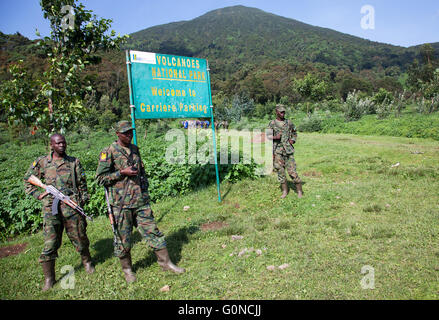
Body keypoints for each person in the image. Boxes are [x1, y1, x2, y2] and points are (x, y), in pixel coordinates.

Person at [95, 120, 185, 283]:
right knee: (124, 239)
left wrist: (145, 189)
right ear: (117, 134)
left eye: (131, 132)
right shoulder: (109, 151)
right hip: (121, 205)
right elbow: (100, 179)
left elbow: (141, 172)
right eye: (125, 133)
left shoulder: (135, 149)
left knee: (153, 231)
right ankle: (128, 270)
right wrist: (121, 173)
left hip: (140, 201)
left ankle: (166, 263)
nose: (129, 135)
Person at [24, 133, 94, 291]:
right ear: (51, 145)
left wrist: (81, 201)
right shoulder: (42, 162)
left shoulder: (73, 162)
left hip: (71, 207)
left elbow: (82, 184)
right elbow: (28, 179)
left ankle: (87, 262)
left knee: (80, 237)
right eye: (58, 143)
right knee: (50, 243)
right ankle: (49, 279)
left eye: (63, 143)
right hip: (51, 209)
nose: (62, 146)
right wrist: (39, 194)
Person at [267, 105, 303, 199]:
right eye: (281, 112)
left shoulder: (289, 123)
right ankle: (284, 191)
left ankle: (299, 191)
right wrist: (275, 137)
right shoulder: (272, 123)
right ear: (276, 112)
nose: (283, 114)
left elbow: (294, 132)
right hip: (277, 151)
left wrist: (293, 140)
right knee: (280, 171)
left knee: (292, 171)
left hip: (288, 151)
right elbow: (267, 136)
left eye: (284, 112)